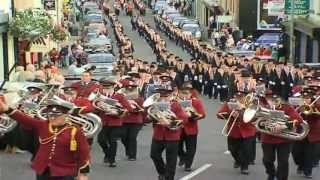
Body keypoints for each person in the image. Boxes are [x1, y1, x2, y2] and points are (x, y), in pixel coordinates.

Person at [0, 97, 90, 180]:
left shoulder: (75, 130)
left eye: (56, 115)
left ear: (65, 115)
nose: (52, 118)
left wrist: (83, 174)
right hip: (43, 170)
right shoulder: (43, 125)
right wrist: (7, 109)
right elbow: (24, 119)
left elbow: (84, 153)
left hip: (65, 172)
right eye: (50, 115)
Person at [149, 86, 189, 180]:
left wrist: (171, 122)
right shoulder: (154, 105)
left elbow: (184, 119)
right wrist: (149, 116)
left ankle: (169, 178)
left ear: (170, 96)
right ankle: (162, 172)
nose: (163, 99)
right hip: (158, 135)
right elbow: (147, 119)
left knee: (171, 160)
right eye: (161, 97)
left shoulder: (175, 105)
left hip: (172, 136)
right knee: (154, 155)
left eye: (165, 96)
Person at [260, 93, 303, 180]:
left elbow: (298, 120)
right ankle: (271, 173)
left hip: (284, 140)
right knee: (267, 160)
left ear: (280, 100)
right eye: (270, 100)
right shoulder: (264, 107)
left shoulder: (286, 108)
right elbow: (256, 121)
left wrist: (283, 126)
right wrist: (264, 123)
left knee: (283, 162)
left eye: (275, 100)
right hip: (268, 138)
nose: (273, 102)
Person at [96, 78, 133, 167]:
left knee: (112, 141)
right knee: (100, 140)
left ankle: (112, 160)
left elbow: (129, 108)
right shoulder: (100, 96)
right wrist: (98, 106)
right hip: (105, 123)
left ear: (113, 87)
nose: (106, 89)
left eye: (108, 87)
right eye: (104, 88)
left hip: (116, 122)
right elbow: (95, 107)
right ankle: (108, 154)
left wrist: (120, 111)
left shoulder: (119, 96)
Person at [292, 87, 320, 178]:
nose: (306, 100)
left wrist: (313, 110)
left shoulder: (317, 105)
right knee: (296, 152)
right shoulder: (298, 105)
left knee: (309, 154)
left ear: (311, 98)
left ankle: (308, 172)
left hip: (312, 133)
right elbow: (292, 115)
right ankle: (300, 165)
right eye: (304, 98)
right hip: (300, 132)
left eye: (308, 98)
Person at [177, 82, 206, 171]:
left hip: (191, 128)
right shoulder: (175, 102)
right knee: (178, 147)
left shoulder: (196, 102)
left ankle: (188, 165)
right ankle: (182, 156)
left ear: (191, 93)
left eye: (188, 93)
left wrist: (194, 114)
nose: (185, 95)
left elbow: (202, 114)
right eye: (183, 93)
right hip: (179, 128)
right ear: (179, 93)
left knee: (191, 148)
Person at [119, 79, 144, 161]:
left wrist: (138, 109)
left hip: (135, 120)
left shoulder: (139, 98)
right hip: (124, 120)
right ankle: (128, 150)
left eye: (132, 88)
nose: (130, 89)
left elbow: (143, 109)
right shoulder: (122, 98)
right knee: (123, 137)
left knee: (132, 137)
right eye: (128, 88)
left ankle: (132, 155)